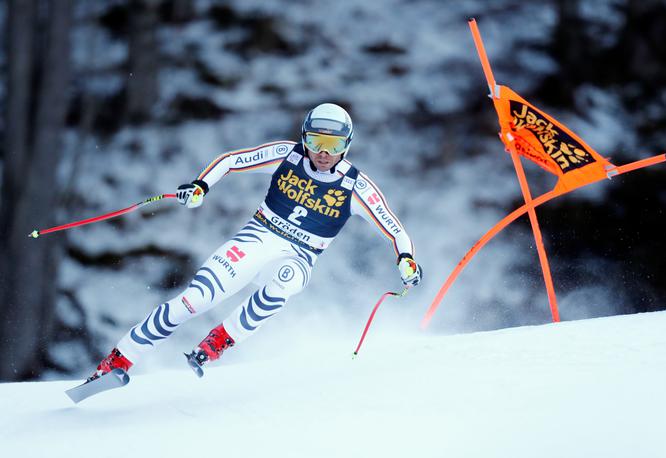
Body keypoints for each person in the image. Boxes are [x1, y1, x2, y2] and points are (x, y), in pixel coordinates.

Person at [88, 103, 422, 381]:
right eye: (316, 141)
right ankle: (118, 359)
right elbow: (231, 160)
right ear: (304, 137)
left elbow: (394, 228)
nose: (322, 153)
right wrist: (201, 186)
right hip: (259, 236)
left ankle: (220, 340)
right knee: (195, 299)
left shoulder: (356, 186)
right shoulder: (286, 156)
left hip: (300, 255)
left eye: (333, 146)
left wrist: (405, 259)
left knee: (286, 282)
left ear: (346, 145)